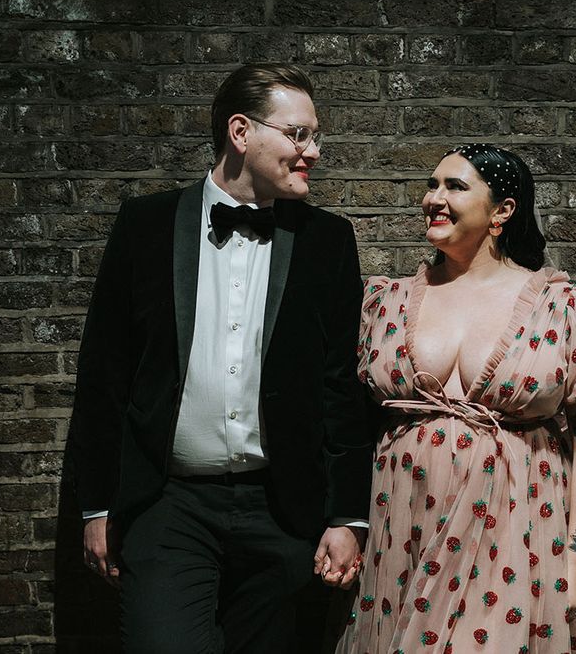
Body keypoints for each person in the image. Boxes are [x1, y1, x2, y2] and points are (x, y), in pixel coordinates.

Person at [67, 63, 373, 653]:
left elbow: (341, 386)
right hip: (167, 505)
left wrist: (347, 517)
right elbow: (104, 374)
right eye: (298, 134)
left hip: (283, 508)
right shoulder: (145, 226)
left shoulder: (328, 241)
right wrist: (97, 504)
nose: (314, 150)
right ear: (240, 132)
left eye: (314, 135)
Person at [336, 144, 576, 653]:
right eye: (432, 185)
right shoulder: (385, 300)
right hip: (405, 526)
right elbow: (349, 420)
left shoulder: (566, 307)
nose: (434, 198)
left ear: (503, 210)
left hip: (517, 526)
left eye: (454, 186)